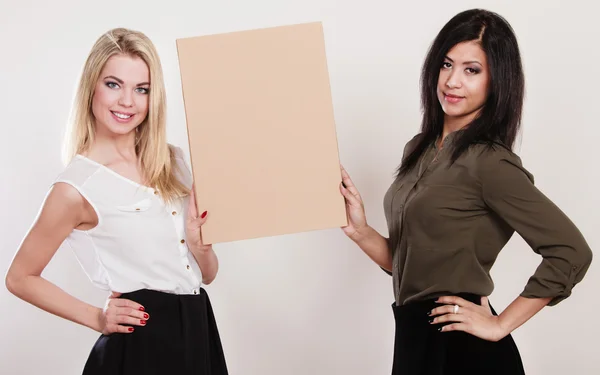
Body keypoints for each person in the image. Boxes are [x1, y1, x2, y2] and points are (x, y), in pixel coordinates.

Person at [339, 9, 592, 375]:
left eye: (471, 70)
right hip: (413, 342)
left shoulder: (490, 163)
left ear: (496, 81)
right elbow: (414, 268)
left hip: (462, 352)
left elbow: (571, 252)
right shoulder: (418, 150)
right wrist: (361, 232)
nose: (452, 81)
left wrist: (500, 323)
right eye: (446, 64)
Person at [5, 28, 228, 374]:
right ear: (91, 87)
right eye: (113, 84)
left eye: (142, 89)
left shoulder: (174, 162)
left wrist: (200, 246)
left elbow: (207, 276)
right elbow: (19, 277)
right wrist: (96, 317)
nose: (127, 101)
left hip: (199, 330)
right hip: (141, 346)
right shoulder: (76, 187)